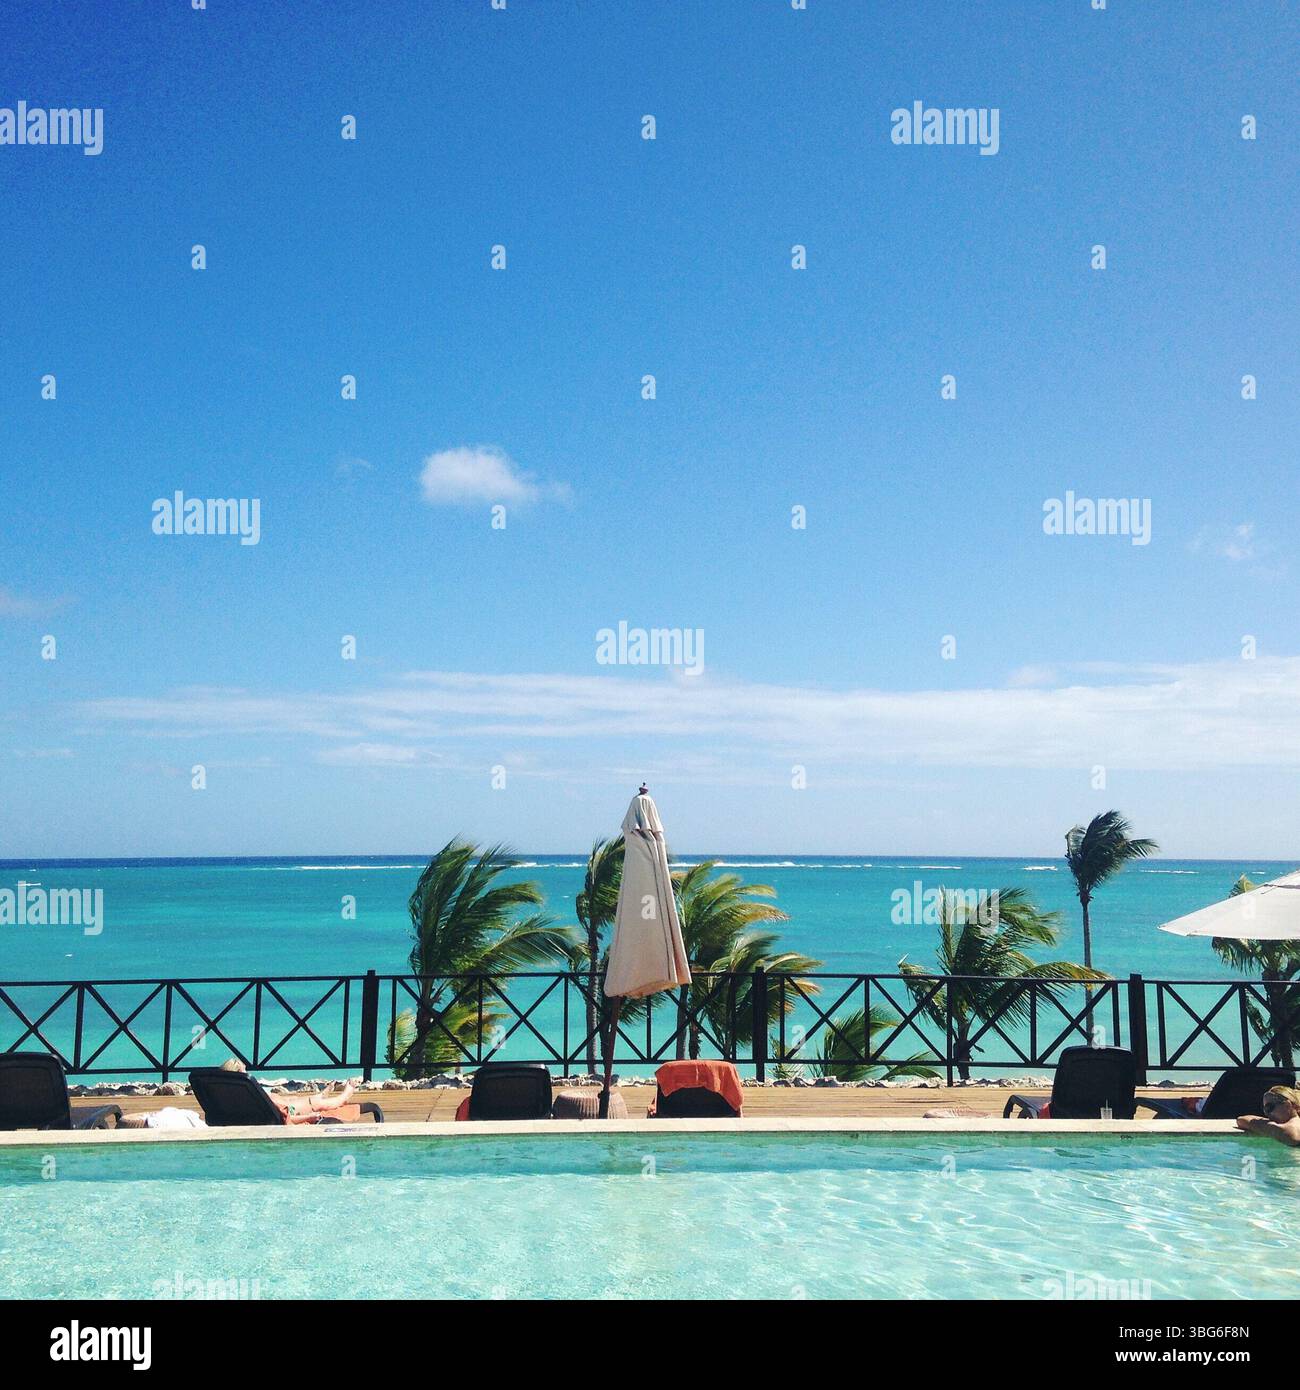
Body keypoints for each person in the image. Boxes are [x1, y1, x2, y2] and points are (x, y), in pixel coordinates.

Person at [219, 1057, 357, 1124]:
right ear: (239, 1073)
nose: (248, 1073)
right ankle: (344, 1095)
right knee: (317, 1103)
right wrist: (309, 1117)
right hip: (288, 1109)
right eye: (245, 1071)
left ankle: (320, 1095)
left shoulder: (230, 1094)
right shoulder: (249, 1090)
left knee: (295, 1099)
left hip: (282, 1103)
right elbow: (285, 1119)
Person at [1235, 1085, 1300, 1147]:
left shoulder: (1284, 1130)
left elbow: (1241, 1120)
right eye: (1265, 1109)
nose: (1267, 1114)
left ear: (1287, 1105)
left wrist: (1265, 1122)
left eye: (1269, 1108)